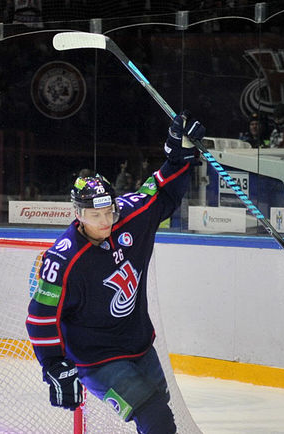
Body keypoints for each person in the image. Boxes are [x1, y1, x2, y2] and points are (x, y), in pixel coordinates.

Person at [26, 111, 206, 433]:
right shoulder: (63, 259)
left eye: (109, 211)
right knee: (156, 418)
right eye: (96, 215)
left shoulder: (129, 217)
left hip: (138, 344)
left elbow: (161, 192)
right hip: (97, 360)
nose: (106, 221)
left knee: (159, 415)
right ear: (78, 214)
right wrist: (53, 364)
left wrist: (180, 154)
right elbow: (40, 316)